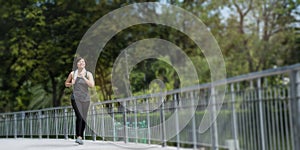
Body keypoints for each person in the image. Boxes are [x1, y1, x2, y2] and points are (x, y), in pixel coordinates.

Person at [65, 57, 95, 145]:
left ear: (85, 64)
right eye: (79, 62)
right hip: (75, 98)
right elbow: (66, 84)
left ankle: (80, 137)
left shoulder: (88, 74)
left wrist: (84, 78)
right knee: (79, 116)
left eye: (83, 62)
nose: (81, 63)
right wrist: (71, 83)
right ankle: (78, 136)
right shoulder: (73, 73)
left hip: (86, 99)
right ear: (77, 64)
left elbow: (92, 85)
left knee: (84, 118)